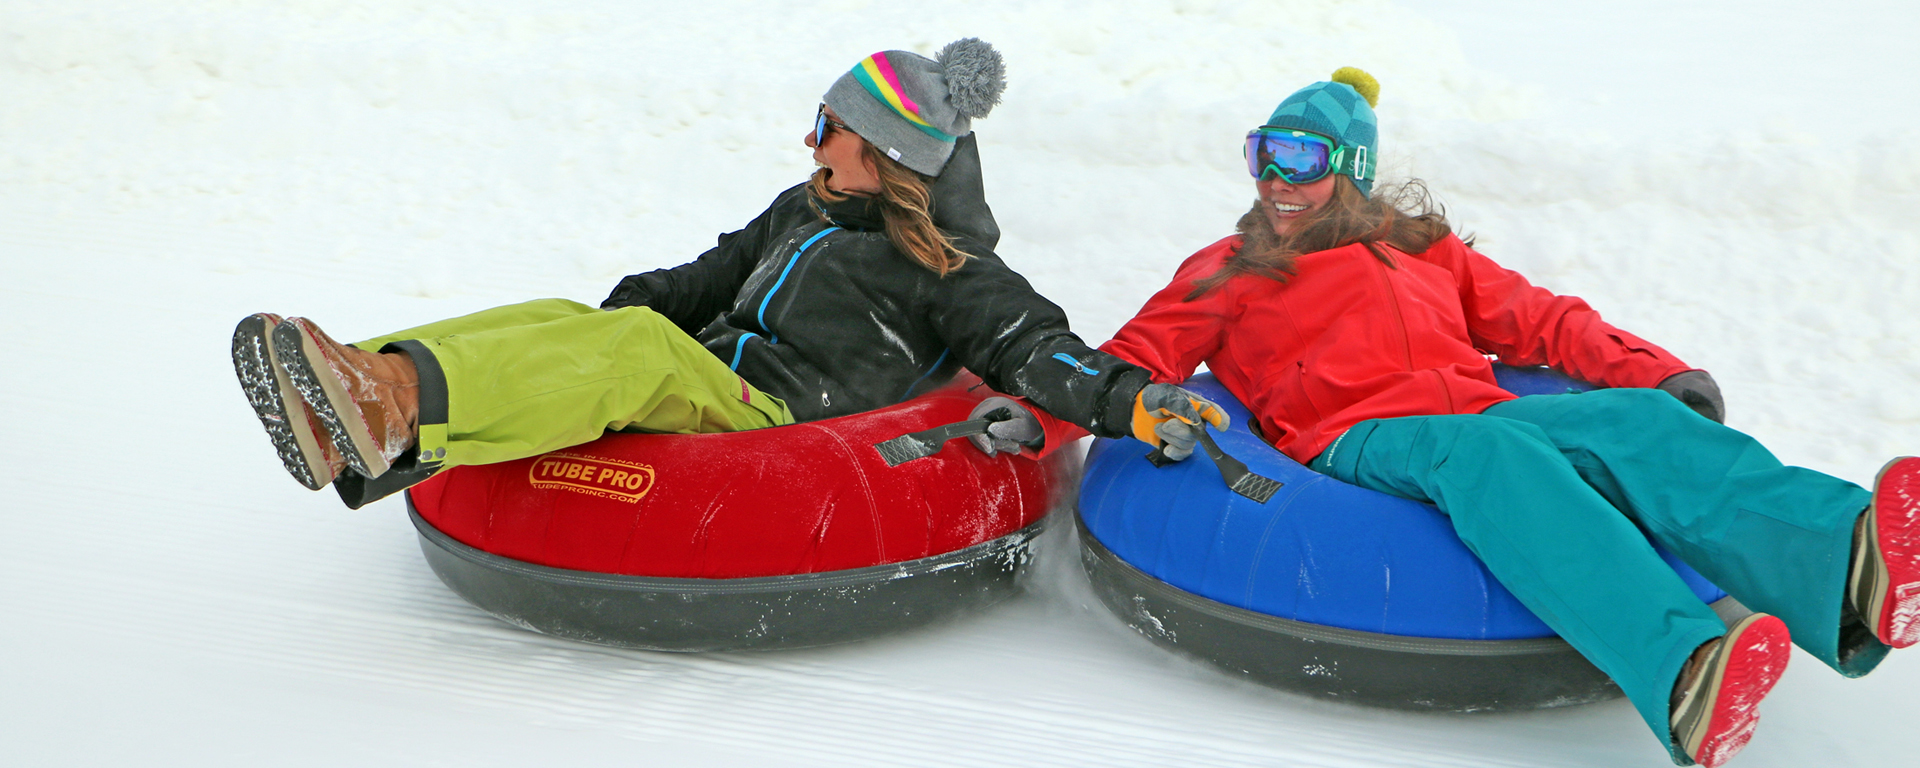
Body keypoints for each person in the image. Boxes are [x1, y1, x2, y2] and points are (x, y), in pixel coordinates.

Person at [1090, 68, 1919, 767]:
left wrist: (1659, 373)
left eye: (1300, 158)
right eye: (1262, 155)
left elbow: (1543, 321)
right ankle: (1683, 677)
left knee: (1634, 424)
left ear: (1351, 168)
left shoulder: (1425, 252)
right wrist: (1063, 412)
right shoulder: (1233, 268)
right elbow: (1126, 361)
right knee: (1492, 454)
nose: (1276, 180)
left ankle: (1849, 568)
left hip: (1483, 409)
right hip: (1354, 437)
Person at [230, 39, 1210, 509]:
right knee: (574, 315)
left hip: (778, 418)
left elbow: (1031, 346)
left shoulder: (943, 268)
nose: (809, 140)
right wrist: (582, 336)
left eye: (829, 127)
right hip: (711, 375)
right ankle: (362, 398)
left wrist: (1127, 404)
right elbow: (705, 280)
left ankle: (392, 404)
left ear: (884, 149)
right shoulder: (803, 207)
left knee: (638, 349)